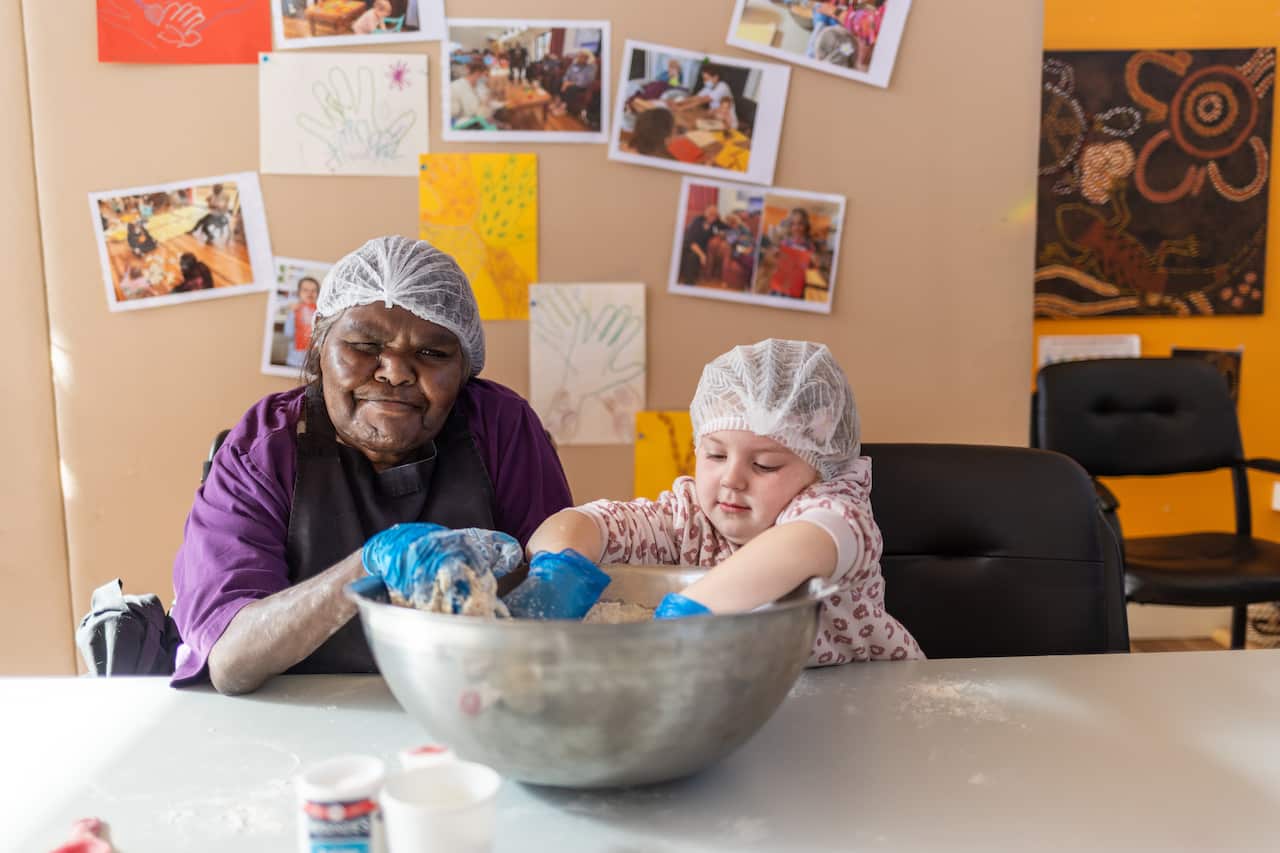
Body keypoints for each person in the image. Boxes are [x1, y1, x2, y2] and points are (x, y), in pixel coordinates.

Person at [170, 236, 573, 694]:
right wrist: (367, 568)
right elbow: (231, 658)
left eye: (432, 353)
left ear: (465, 370)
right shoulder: (264, 447)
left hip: (469, 703)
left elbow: (556, 602)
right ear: (320, 347)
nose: (396, 371)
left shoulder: (502, 426)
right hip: (295, 713)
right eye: (364, 344)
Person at [527, 339, 922, 666]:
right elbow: (591, 521)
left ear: (819, 468)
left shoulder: (834, 509)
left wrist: (683, 616)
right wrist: (559, 567)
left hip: (870, 710)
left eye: (764, 464)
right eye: (716, 456)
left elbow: (802, 545)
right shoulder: (688, 517)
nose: (732, 478)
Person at [678, 205, 726, 284]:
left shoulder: (715, 225)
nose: (712, 216)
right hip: (688, 244)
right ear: (705, 213)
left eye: (714, 215)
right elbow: (690, 239)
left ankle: (688, 283)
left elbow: (726, 229)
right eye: (710, 213)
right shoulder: (698, 220)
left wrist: (722, 234)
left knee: (692, 256)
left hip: (699, 248)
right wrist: (701, 255)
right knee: (686, 253)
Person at [450, 58, 503, 129]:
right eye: (484, 75)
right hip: (467, 125)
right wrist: (485, 104)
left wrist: (490, 101)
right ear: (477, 73)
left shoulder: (480, 85)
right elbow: (456, 112)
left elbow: (486, 108)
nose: (486, 78)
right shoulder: (456, 87)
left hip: (482, 120)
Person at [283, 275, 321, 368]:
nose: (310, 293)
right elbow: (288, 333)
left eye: (313, 291)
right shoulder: (294, 311)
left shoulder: (321, 312)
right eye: (305, 290)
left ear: (318, 293)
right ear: (299, 293)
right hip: (295, 360)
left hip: (314, 363)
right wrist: (292, 314)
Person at [560, 50, 598, 122]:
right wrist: (565, 81)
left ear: (587, 58)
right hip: (570, 83)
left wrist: (570, 83)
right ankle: (559, 102)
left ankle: (564, 108)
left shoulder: (591, 67)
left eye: (582, 57)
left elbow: (586, 81)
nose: (579, 58)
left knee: (571, 88)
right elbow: (566, 74)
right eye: (579, 56)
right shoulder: (574, 64)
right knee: (560, 81)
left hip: (582, 86)